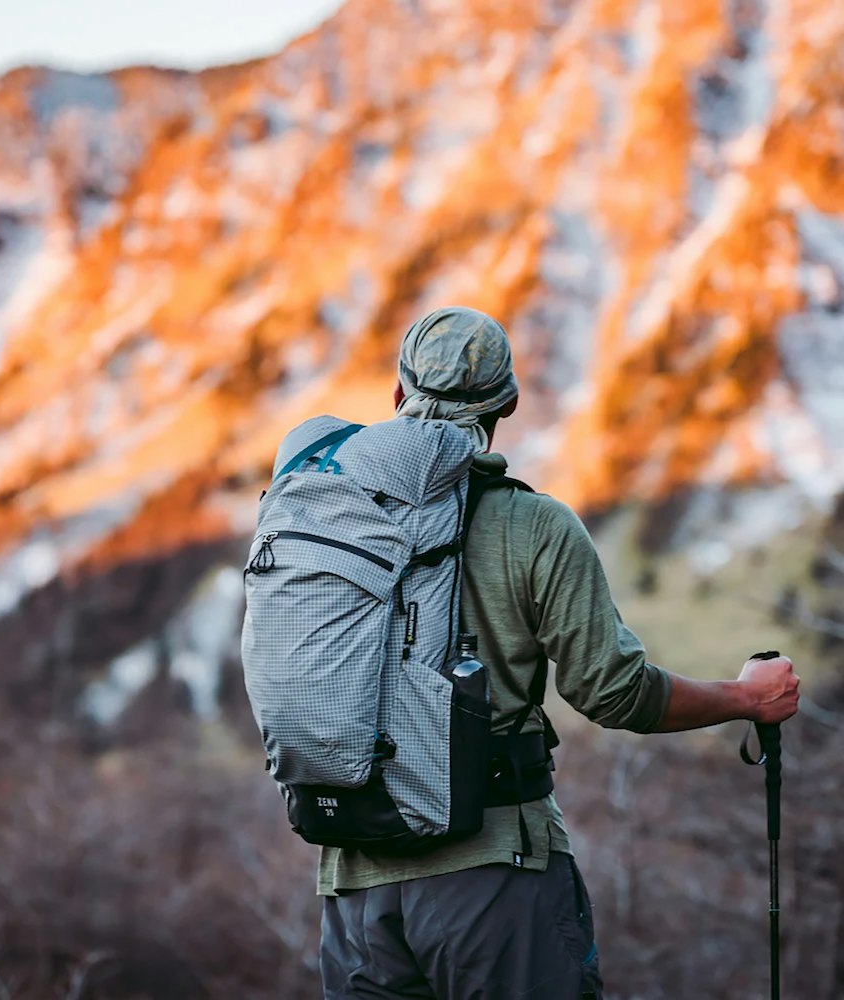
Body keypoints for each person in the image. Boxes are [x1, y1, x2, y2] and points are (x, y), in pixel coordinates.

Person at [317, 306, 800, 999]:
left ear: (396, 396)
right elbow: (616, 693)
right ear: (507, 405)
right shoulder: (532, 524)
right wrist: (747, 697)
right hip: (494, 874)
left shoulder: (331, 516)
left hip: (353, 892)